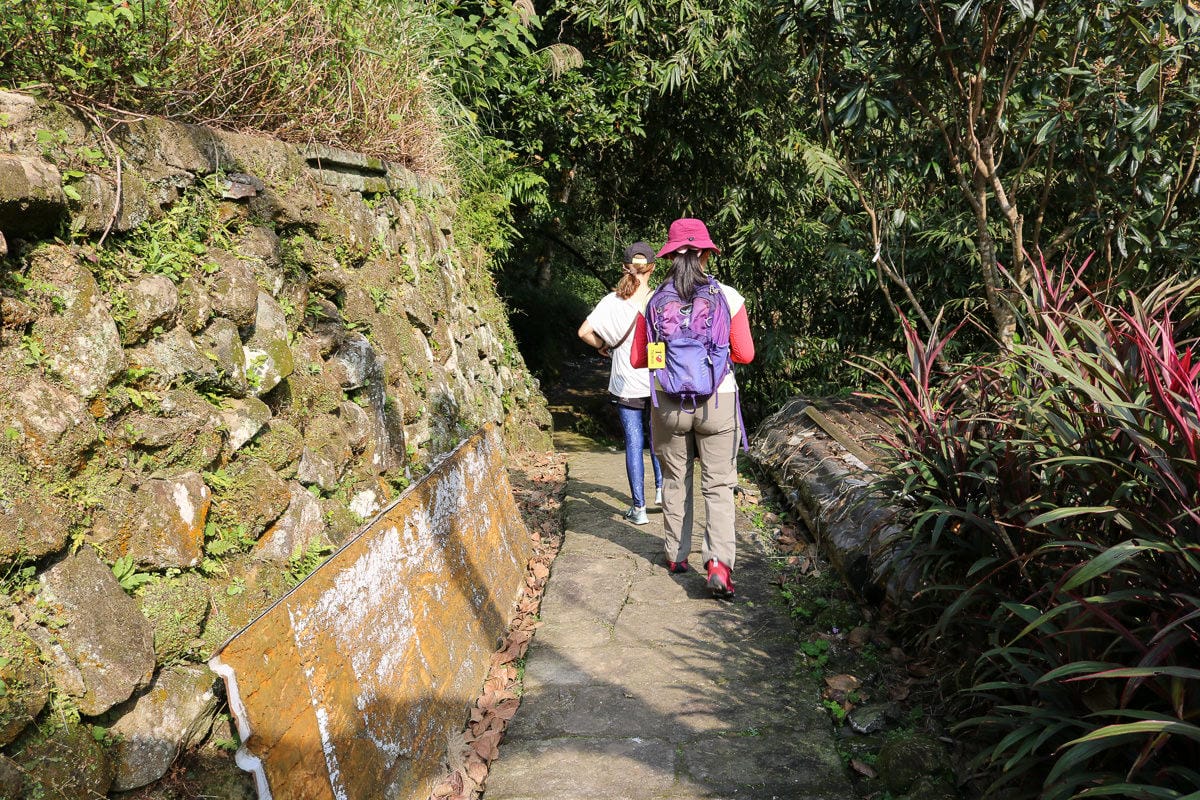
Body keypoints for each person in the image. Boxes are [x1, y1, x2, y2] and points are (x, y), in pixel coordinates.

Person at [630, 218, 754, 599]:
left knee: (674, 479)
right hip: (719, 400)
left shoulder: (652, 301)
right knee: (718, 485)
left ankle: (675, 555)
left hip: (668, 403)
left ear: (668, 255)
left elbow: (639, 359)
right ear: (704, 252)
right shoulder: (728, 296)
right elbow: (745, 354)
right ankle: (718, 564)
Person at [577, 242, 664, 525]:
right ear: (651, 267)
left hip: (626, 382)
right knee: (659, 439)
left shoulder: (611, 301)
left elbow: (584, 332)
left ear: (625, 267)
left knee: (633, 441)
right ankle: (662, 492)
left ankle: (638, 508)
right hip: (658, 381)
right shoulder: (661, 299)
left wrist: (602, 345)